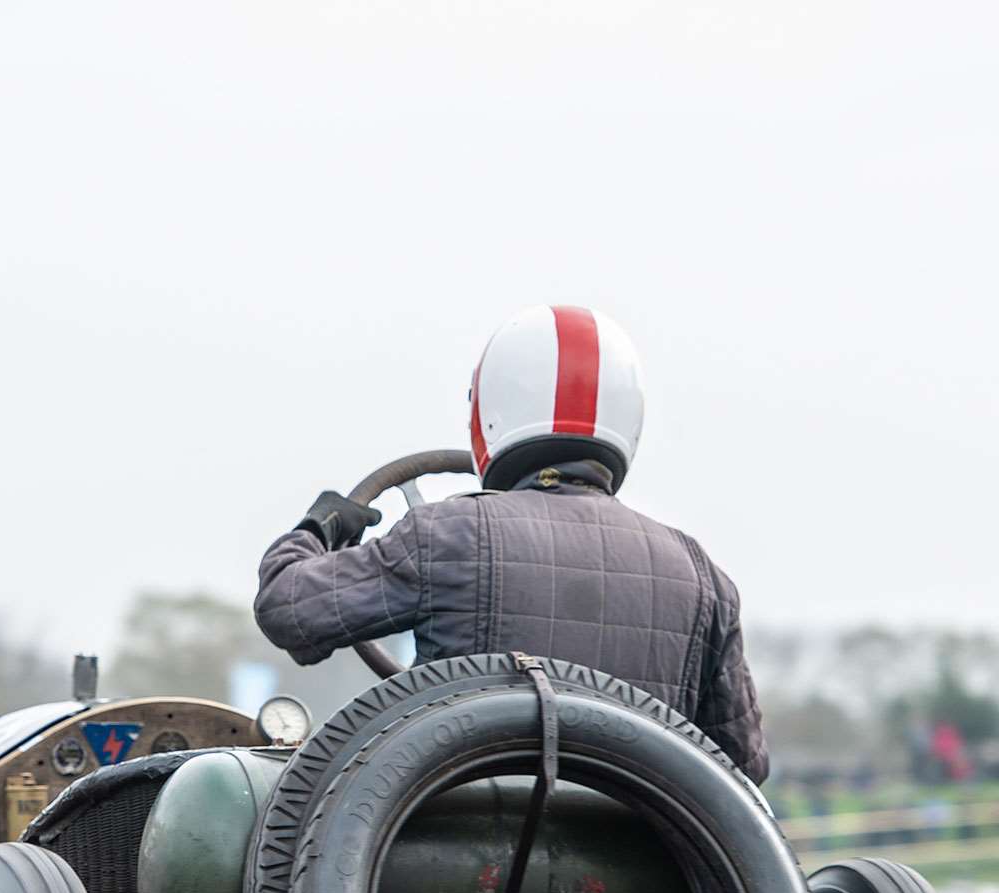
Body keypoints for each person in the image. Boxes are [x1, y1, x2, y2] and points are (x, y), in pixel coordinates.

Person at [253, 306, 770, 782]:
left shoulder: (446, 534)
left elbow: (287, 608)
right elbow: (742, 765)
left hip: (454, 849)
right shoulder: (703, 578)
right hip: (638, 859)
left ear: (490, 413)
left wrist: (319, 528)